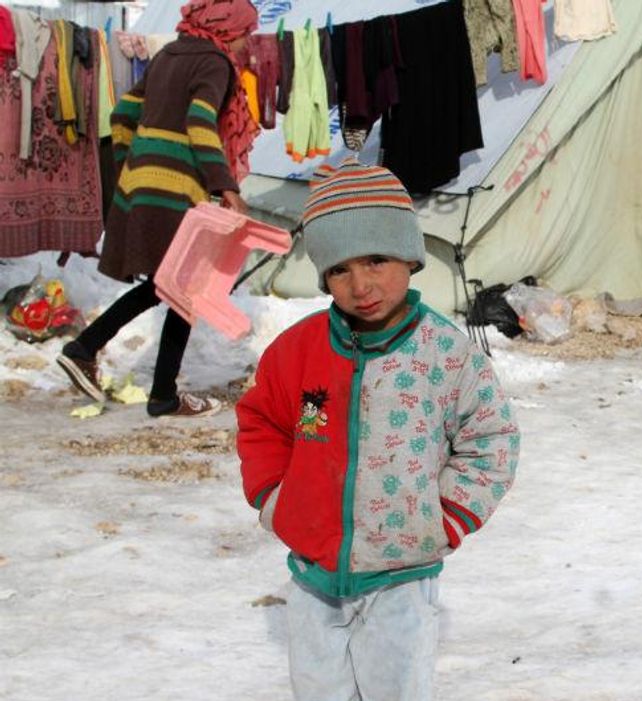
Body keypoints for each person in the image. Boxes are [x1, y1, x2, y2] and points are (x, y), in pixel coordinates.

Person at [236, 158, 521, 701]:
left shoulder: (445, 354)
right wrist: (275, 498)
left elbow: (492, 440)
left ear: (409, 257)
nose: (361, 284)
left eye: (376, 259)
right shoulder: (298, 351)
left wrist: (449, 516)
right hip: (313, 575)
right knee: (318, 689)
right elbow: (262, 420)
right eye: (339, 269)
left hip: (402, 576)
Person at [56, 0, 260, 417]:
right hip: (175, 187)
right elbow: (200, 122)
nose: (247, 40)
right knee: (184, 287)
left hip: (142, 181)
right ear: (225, 29)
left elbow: (123, 112)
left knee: (170, 285)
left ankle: (92, 352)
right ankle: (155, 390)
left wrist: (137, 162)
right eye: (245, 31)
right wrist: (226, 186)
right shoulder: (214, 64)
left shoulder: (169, 53)